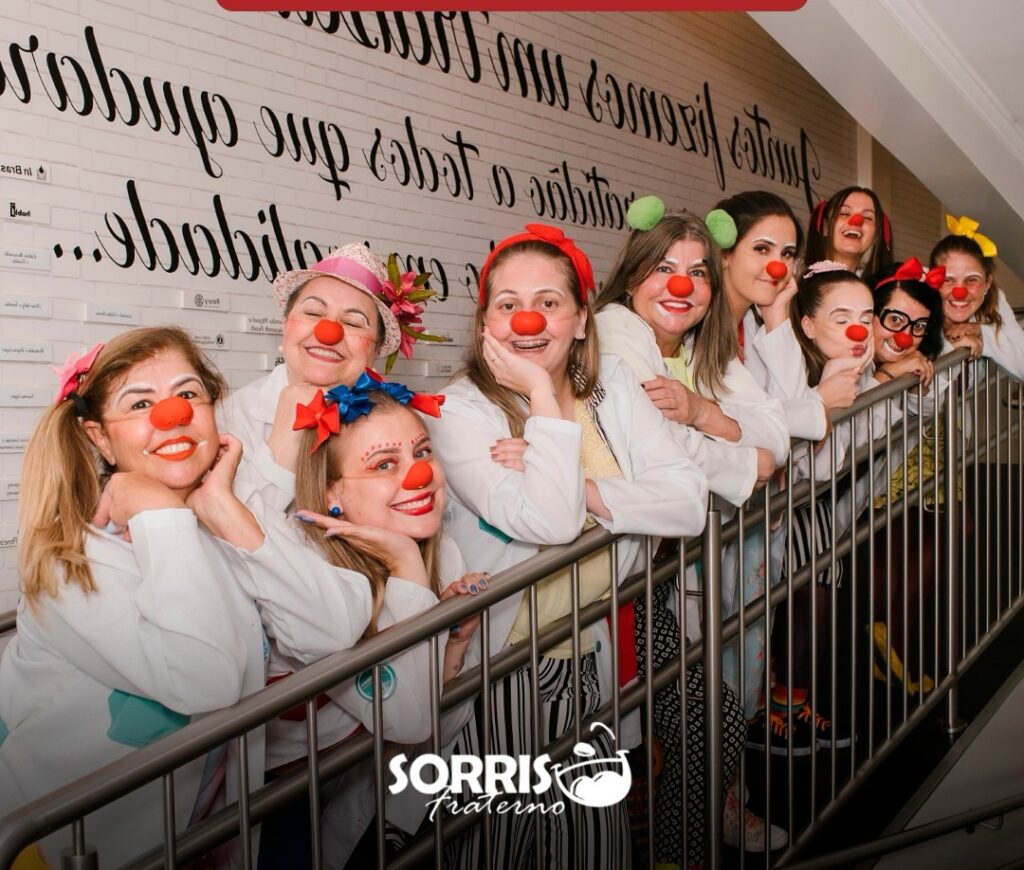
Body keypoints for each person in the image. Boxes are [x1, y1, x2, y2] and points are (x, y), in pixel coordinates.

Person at [426, 223, 709, 868]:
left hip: (589, 652)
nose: (527, 319)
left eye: (549, 302)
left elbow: (689, 500)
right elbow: (544, 524)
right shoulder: (457, 410)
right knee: (496, 846)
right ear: (485, 322)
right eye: (508, 304)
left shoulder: (610, 391)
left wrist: (582, 487)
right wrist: (541, 399)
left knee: (587, 844)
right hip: (501, 668)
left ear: (582, 320)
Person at [0, 327, 267, 867]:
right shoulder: (69, 558)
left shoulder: (213, 528)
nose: (174, 414)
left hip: (187, 837)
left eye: (188, 394)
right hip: (58, 850)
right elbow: (206, 681)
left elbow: (321, 634)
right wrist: (158, 511)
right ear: (99, 439)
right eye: (140, 402)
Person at [594, 200, 788, 856]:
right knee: (709, 721)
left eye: (699, 272)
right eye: (665, 268)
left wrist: (707, 413)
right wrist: (746, 461)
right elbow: (669, 455)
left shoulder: (703, 349)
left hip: (643, 581)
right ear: (632, 276)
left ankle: (677, 852)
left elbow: (775, 429)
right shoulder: (615, 334)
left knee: (710, 723)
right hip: (601, 590)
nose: (682, 285)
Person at [246, 380, 483, 869]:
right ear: (332, 492)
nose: (420, 475)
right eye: (383, 464)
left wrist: (455, 646)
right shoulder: (313, 574)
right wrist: (405, 567)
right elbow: (408, 719)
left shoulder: (446, 552)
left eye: (422, 452)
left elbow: (421, 712)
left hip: (361, 781)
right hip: (279, 798)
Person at [218, 242, 437, 502]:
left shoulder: (401, 423)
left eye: (353, 322)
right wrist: (283, 443)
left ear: (376, 349)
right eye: (313, 312)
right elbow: (229, 535)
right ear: (285, 325)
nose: (328, 333)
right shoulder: (229, 420)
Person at [866, 259, 947, 697]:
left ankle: (889, 637)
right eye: (895, 319)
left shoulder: (910, 361)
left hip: (859, 497)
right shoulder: (846, 354)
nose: (903, 335)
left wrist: (911, 377)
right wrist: (883, 377)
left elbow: (922, 411)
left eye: (917, 326)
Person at [929, 214, 1024, 379]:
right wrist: (952, 348)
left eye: (971, 280)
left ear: (987, 284)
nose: (960, 292)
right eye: (948, 280)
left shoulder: (994, 301)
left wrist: (981, 332)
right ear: (932, 280)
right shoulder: (915, 308)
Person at [805, 186, 893, 277]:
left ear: (876, 236)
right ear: (825, 228)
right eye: (844, 213)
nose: (856, 221)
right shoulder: (795, 282)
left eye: (867, 217)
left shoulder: (876, 289)